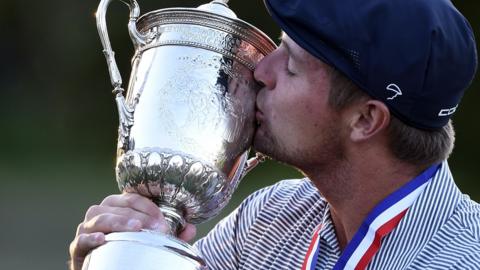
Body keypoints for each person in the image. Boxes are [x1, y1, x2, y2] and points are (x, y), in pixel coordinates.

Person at [69, 0, 479, 269]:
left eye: (293, 66)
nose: (262, 72)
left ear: (365, 120)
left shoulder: (463, 257)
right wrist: (127, 256)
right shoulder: (269, 216)